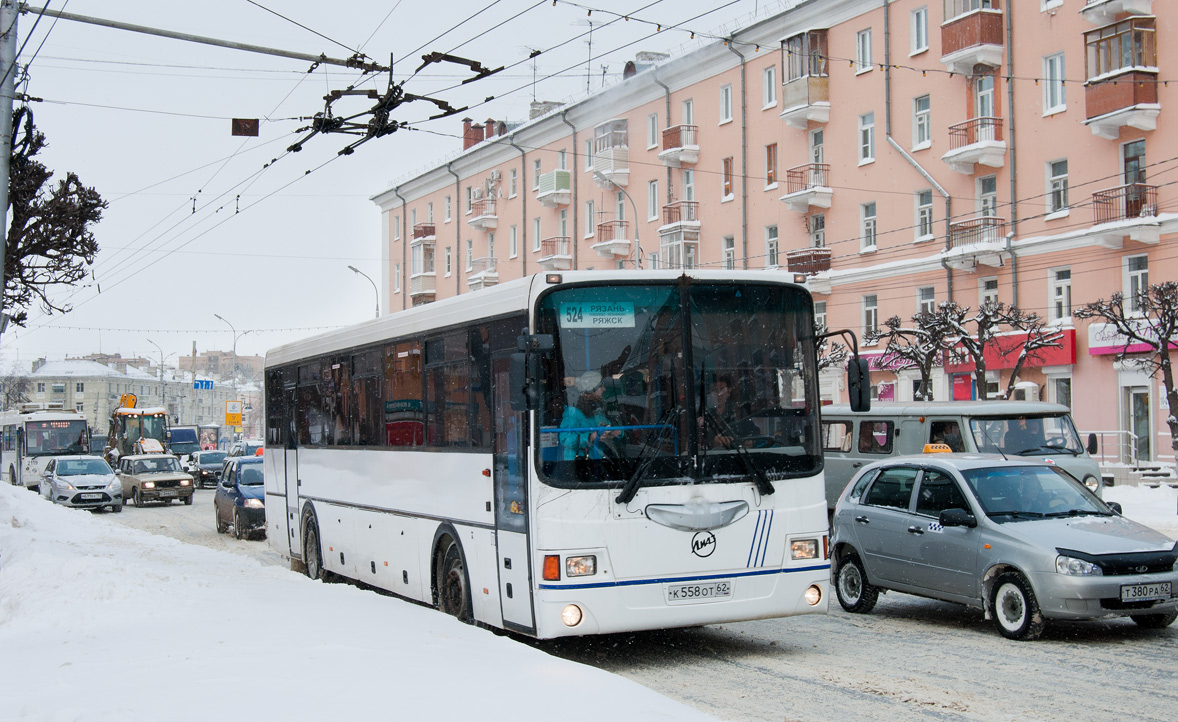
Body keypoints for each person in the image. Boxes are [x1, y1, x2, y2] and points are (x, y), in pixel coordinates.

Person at [559, 371, 618, 460]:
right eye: (601, 386)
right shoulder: (572, 412)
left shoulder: (597, 409)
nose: (604, 389)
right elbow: (565, 439)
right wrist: (589, 437)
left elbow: (605, 425)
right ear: (592, 390)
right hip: (578, 464)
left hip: (597, 460)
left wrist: (612, 432)